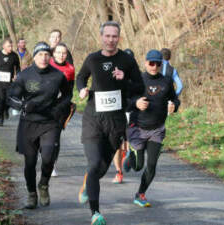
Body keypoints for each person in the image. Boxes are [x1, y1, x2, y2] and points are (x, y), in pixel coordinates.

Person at [76, 21, 144, 225]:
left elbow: (140, 87)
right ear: (101, 37)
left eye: (114, 36)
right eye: (107, 36)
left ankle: (89, 181)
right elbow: (81, 77)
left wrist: (125, 79)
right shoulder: (92, 59)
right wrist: (81, 89)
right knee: (94, 163)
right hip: (93, 119)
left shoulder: (127, 60)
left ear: (119, 38)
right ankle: (95, 213)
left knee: (102, 168)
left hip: (115, 122)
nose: (111, 40)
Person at [8, 42, 72, 209]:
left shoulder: (58, 76)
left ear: (50, 57)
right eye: (40, 55)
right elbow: (11, 97)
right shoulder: (24, 75)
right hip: (28, 123)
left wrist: (58, 108)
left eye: (46, 55)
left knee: (48, 157)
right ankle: (31, 193)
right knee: (30, 162)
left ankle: (43, 184)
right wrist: (22, 106)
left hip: (50, 122)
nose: (43, 58)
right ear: (34, 57)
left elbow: (67, 95)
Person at [123, 49, 180, 208]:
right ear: (145, 63)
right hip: (138, 128)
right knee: (138, 166)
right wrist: (136, 103)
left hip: (157, 129)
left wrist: (174, 105)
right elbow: (125, 101)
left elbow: (175, 99)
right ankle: (131, 157)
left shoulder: (167, 81)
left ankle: (140, 194)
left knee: (152, 165)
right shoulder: (136, 80)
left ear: (162, 64)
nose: (154, 66)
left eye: (157, 64)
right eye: (151, 63)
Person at [111, 48, 139, 184]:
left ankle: (127, 155)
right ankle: (119, 171)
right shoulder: (114, 76)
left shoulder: (137, 77)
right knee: (116, 144)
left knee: (126, 142)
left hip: (132, 113)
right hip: (116, 114)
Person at [49, 42, 76, 177]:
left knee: (55, 138)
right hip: (44, 107)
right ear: (53, 53)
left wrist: (63, 103)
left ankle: (52, 164)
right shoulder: (47, 65)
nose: (61, 55)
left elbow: (70, 92)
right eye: (58, 52)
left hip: (60, 109)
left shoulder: (70, 69)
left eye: (64, 53)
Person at [0, 38, 20, 126]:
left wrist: (17, 75)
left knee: (8, 100)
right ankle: (0, 118)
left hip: (9, 82)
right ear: (3, 46)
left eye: (11, 46)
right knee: (0, 100)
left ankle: (6, 110)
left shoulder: (14, 56)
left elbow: (18, 67)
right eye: (8, 46)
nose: (10, 48)